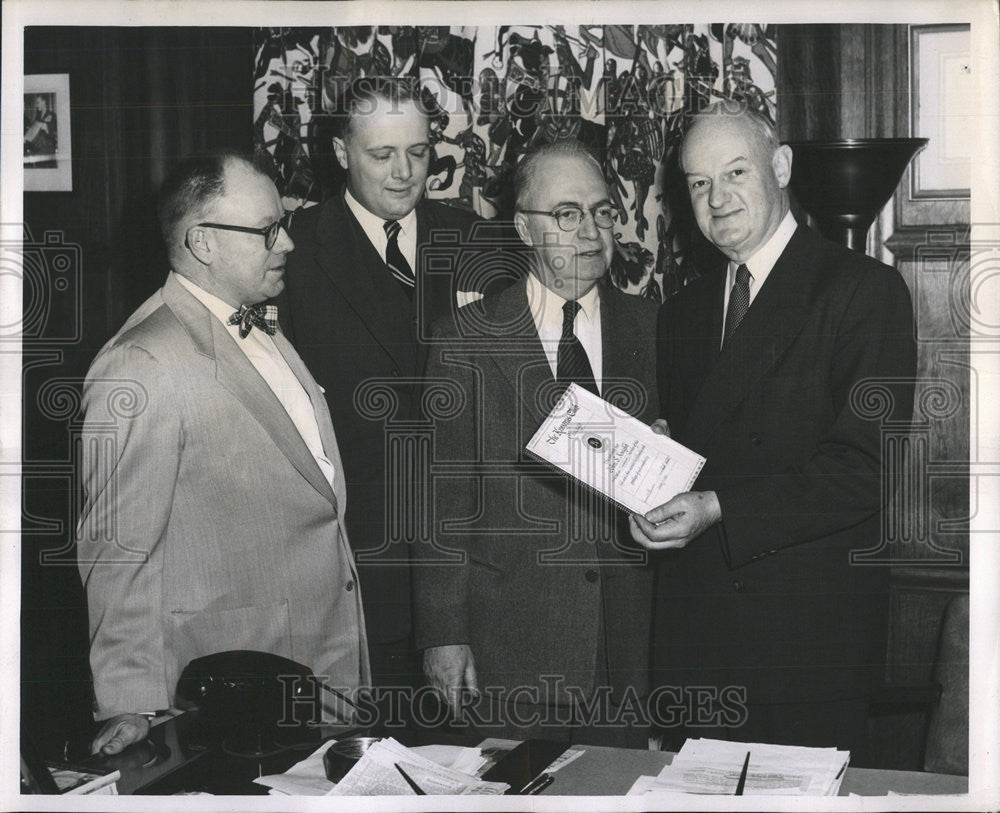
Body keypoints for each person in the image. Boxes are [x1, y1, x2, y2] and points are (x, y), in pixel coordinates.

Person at [631, 103, 917, 761]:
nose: (717, 197)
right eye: (699, 183)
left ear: (781, 166)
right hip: (697, 651)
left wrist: (717, 506)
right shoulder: (682, 310)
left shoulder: (863, 291)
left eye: (735, 171)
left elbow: (864, 469)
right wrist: (649, 473)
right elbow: (699, 450)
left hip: (801, 654)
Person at [76, 152, 369, 755]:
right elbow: (118, 551)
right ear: (202, 242)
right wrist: (131, 703)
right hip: (237, 696)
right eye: (268, 230)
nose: (286, 241)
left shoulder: (264, 325)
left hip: (319, 667)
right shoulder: (142, 364)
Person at [413, 140, 658, 745]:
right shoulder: (465, 339)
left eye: (601, 213)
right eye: (567, 214)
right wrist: (443, 632)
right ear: (523, 227)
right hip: (510, 644)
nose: (590, 231)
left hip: (629, 647)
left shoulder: (656, 329)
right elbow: (440, 502)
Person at [278, 77, 503, 697]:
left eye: (419, 152)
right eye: (382, 155)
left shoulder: (479, 241)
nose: (405, 174)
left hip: (471, 564)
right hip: (358, 567)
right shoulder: (292, 253)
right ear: (341, 151)